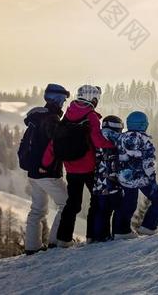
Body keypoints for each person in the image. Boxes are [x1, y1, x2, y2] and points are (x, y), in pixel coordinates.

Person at [41, 85, 114, 247]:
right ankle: (92, 236)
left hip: (71, 168)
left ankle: (63, 239)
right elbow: (97, 140)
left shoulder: (68, 113)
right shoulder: (91, 116)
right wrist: (113, 145)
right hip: (89, 168)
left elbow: (55, 140)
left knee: (73, 204)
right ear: (93, 99)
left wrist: (46, 162)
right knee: (96, 200)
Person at [20, 83, 70, 255]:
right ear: (56, 99)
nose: (63, 103)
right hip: (47, 172)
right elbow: (56, 143)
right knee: (67, 204)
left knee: (37, 209)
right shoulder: (51, 119)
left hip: (33, 172)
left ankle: (32, 247)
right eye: (63, 99)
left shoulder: (36, 118)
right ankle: (55, 242)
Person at [113, 111, 158, 238]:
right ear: (143, 125)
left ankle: (121, 231)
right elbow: (148, 163)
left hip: (124, 178)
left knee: (129, 203)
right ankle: (148, 227)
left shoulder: (121, 138)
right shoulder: (144, 140)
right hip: (141, 178)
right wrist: (152, 178)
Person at [89, 115, 125, 242]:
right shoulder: (115, 140)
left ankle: (100, 236)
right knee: (119, 208)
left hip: (99, 183)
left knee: (102, 211)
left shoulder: (97, 138)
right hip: (113, 183)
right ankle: (118, 233)